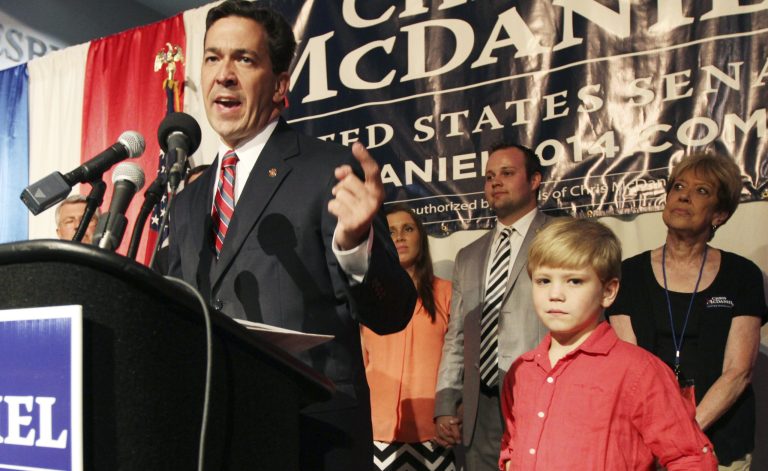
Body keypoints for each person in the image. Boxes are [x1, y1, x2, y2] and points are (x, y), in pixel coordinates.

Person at [166, 2, 416, 469]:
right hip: (216, 434)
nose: (223, 74)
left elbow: (393, 311)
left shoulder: (328, 171)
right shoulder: (188, 199)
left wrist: (356, 247)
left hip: (311, 438)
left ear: (280, 85)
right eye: (213, 57)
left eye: (244, 59)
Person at [499, 218, 717, 470]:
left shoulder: (640, 371)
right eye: (543, 280)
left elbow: (690, 458)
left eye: (574, 281)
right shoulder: (522, 371)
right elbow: (511, 447)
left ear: (608, 291)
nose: (554, 294)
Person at [607, 152, 767, 469]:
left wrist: (683, 433)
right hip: (645, 443)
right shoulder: (628, 274)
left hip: (719, 443)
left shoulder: (742, 275)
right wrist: (660, 437)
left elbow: (738, 372)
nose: (684, 195)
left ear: (719, 215)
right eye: (679, 186)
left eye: (701, 191)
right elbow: (630, 369)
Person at [434, 142, 550, 470]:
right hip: (478, 403)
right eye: (488, 176)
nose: (495, 182)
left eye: (507, 173)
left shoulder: (563, 237)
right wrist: (446, 400)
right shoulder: (468, 256)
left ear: (535, 180)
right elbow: (456, 333)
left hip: (542, 395)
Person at [361, 203, 455, 470]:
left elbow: (459, 360)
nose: (399, 237)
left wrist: (453, 411)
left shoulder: (448, 293)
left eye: (408, 229)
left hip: (433, 431)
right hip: (376, 430)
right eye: (390, 231)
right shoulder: (367, 297)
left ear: (421, 239)